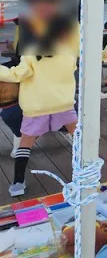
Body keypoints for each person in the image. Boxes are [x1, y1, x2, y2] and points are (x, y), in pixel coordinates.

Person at [0, 15, 77, 197]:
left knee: (25, 144)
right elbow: (73, 69)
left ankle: (18, 183)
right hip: (63, 104)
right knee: (78, 138)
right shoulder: (68, 52)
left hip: (36, 106)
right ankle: (86, 172)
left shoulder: (31, 54)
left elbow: (17, 75)